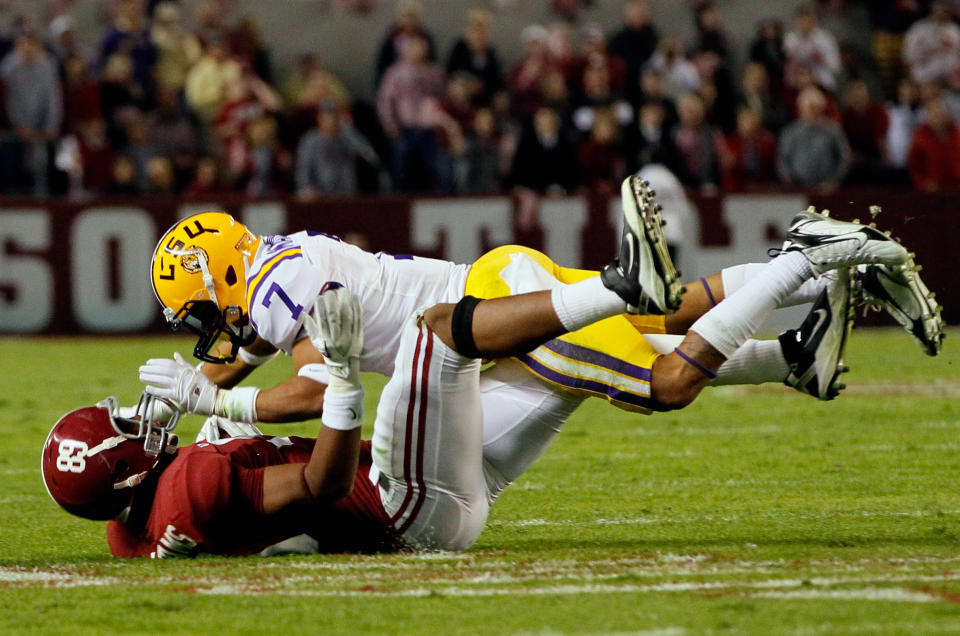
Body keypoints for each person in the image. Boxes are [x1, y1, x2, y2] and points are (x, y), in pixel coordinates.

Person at [45, 193, 920, 557]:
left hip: (487, 313)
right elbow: (235, 361)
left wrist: (219, 399)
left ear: (223, 280)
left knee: (659, 371)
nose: (205, 333)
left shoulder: (278, 288)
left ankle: (805, 260)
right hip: (497, 298)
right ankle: (794, 315)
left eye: (199, 310)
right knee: (669, 318)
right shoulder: (276, 272)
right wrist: (207, 391)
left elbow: (308, 391)